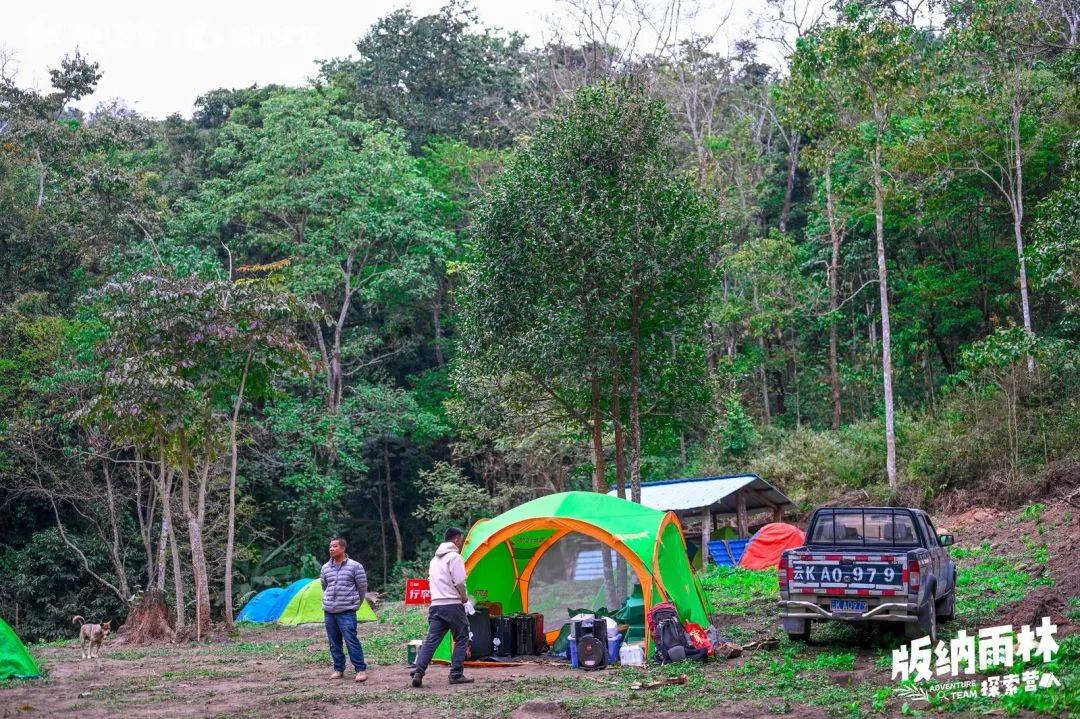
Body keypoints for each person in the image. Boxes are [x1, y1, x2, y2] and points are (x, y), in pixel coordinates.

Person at [410, 527, 474, 688]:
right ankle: (456, 674)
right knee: (461, 638)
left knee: (431, 640)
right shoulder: (455, 557)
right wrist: (464, 598)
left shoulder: (434, 560)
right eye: (461, 540)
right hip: (452, 604)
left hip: (436, 605)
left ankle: (418, 672)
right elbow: (459, 582)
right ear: (457, 539)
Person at [321, 536, 368, 682]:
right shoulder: (325, 568)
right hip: (329, 612)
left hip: (347, 611)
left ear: (343, 548)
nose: (331, 549)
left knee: (351, 640)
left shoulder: (355, 566)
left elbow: (362, 587)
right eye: (330, 546)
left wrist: (355, 604)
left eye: (335, 546)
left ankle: (360, 670)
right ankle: (338, 669)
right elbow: (325, 586)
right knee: (334, 642)